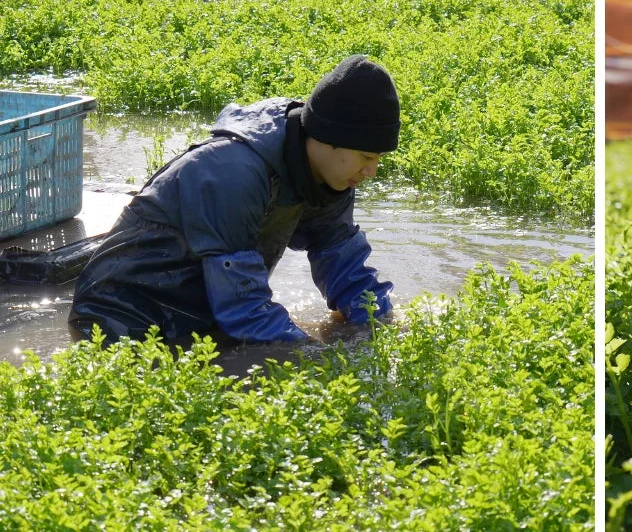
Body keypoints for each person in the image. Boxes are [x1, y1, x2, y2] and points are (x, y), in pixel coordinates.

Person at [69, 55, 398, 343]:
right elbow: (245, 308)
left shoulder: (333, 177)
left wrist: (381, 323)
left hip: (205, 316)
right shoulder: (235, 172)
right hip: (120, 319)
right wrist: (310, 353)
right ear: (328, 139)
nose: (372, 171)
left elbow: (347, 271)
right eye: (366, 156)